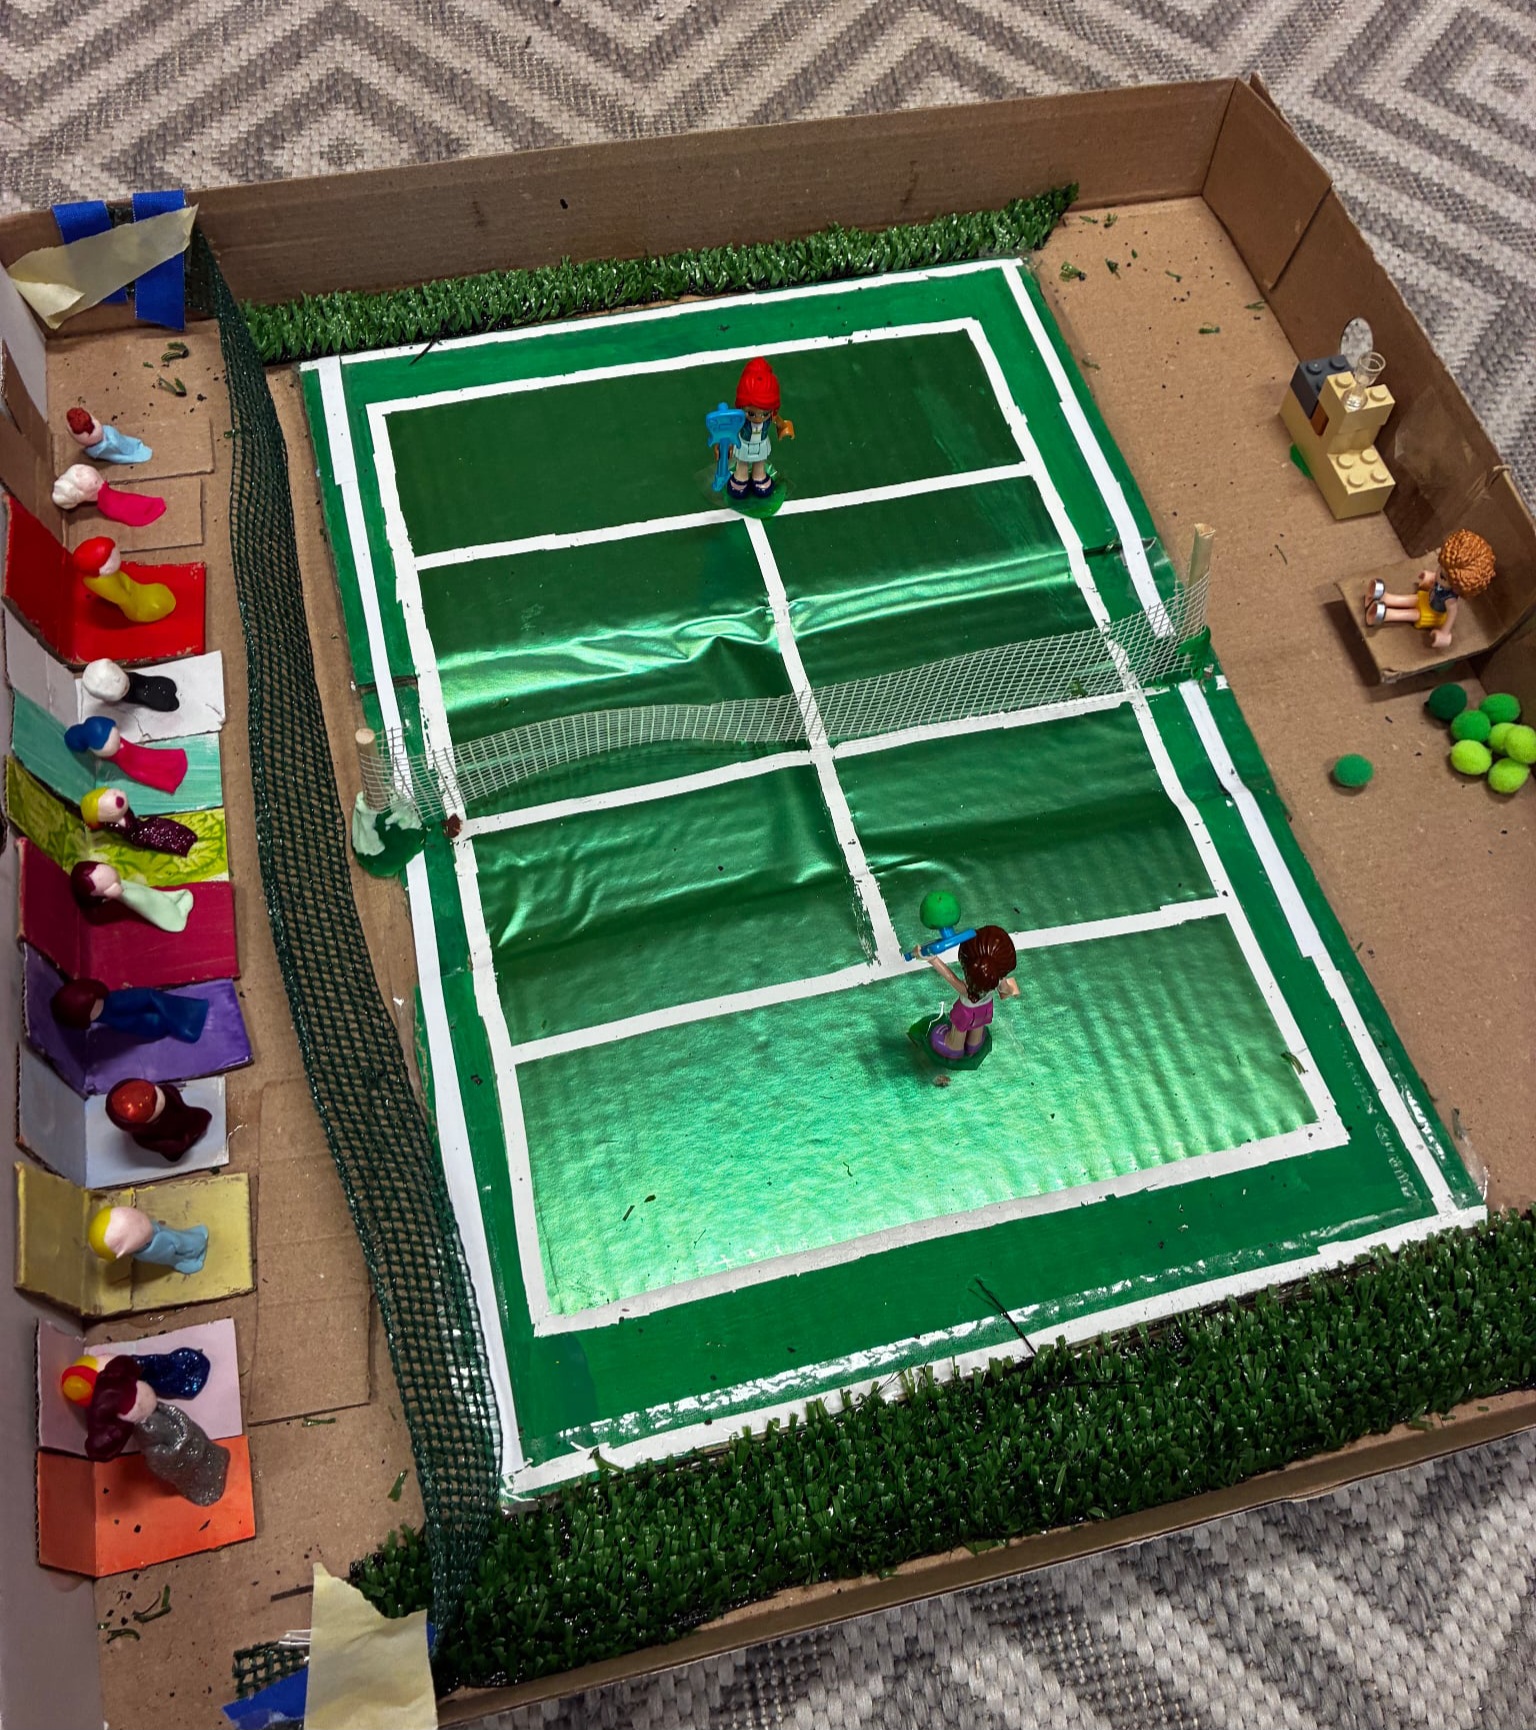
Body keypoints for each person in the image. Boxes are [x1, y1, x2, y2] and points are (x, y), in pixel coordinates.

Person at [84, 1354, 228, 1505]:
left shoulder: (160, 1410)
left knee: (202, 1449)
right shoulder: (146, 1430)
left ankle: (213, 1458)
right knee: (194, 1465)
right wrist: (177, 1448)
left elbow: (179, 1418)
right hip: (180, 1454)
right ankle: (206, 1480)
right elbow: (158, 1457)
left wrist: (186, 1432)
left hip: (187, 1438)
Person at [1363, 528, 1496, 653]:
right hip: (1426, 598)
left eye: (1442, 576)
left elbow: (1451, 615)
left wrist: (1444, 634)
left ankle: (1386, 615)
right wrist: (1430, 578)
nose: (1439, 574)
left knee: (1412, 614)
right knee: (1411, 599)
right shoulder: (1444, 578)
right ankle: (1385, 597)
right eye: (1440, 568)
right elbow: (1437, 578)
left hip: (1433, 614)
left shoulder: (1450, 601)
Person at [924, 925, 1020, 1061]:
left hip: (966, 1011)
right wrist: (1011, 990)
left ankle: (954, 1047)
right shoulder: (997, 980)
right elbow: (1006, 990)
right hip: (985, 1009)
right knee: (978, 1026)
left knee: (960, 1029)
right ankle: (973, 1045)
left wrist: (933, 959)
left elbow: (950, 977)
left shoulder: (967, 989)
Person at [726, 356, 793, 504]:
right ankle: (741, 476)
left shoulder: (771, 417)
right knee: (742, 462)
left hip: (761, 443)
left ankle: (759, 476)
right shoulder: (740, 419)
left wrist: (783, 427)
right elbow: (730, 429)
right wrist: (726, 443)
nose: (758, 418)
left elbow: (778, 420)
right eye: (751, 413)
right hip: (744, 443)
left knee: (760, 462)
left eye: (764, 414)